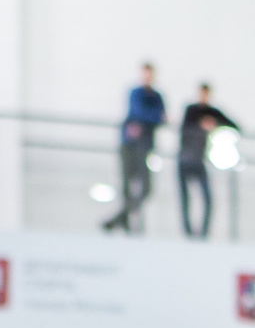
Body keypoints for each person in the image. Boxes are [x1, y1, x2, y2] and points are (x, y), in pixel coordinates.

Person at [101, 63, 165, 233]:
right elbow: (140, 112)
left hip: (144, 147)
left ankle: (119, 219)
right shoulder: (135, 93)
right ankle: (125, 221)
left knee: (146, 189)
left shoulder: (157, 96)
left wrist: (148, 119)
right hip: (129, 145)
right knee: (127, 186)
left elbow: (160, 118)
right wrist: (152, 117)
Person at [177, 82, 240, 239]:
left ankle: (203, 234)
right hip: (185, 160)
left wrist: (215, 124)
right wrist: (201, 125)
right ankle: (188, 234)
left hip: (199, 160)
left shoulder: (212, 112)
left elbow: (235, 126)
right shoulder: (191, 110)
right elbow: (185, 128)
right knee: (185, 199)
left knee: (208, 199)